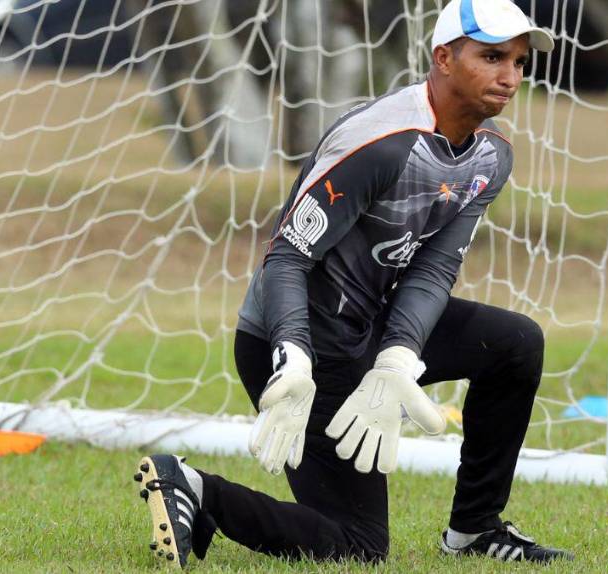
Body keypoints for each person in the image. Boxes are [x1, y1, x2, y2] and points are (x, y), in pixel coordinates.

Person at [131, 0, 573, 567]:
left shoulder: (492, 155)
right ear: (443, 57)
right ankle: (196, 489)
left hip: (371, 327)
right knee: (359, 547)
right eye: (491, 57)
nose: (509, 76)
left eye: (517, 61)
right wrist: (293, 356)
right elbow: (286, 257)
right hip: (298, 344)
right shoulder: (381, 142)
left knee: (514, 343)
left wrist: (396, 358)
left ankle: (474, 530)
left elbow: (433, 268)